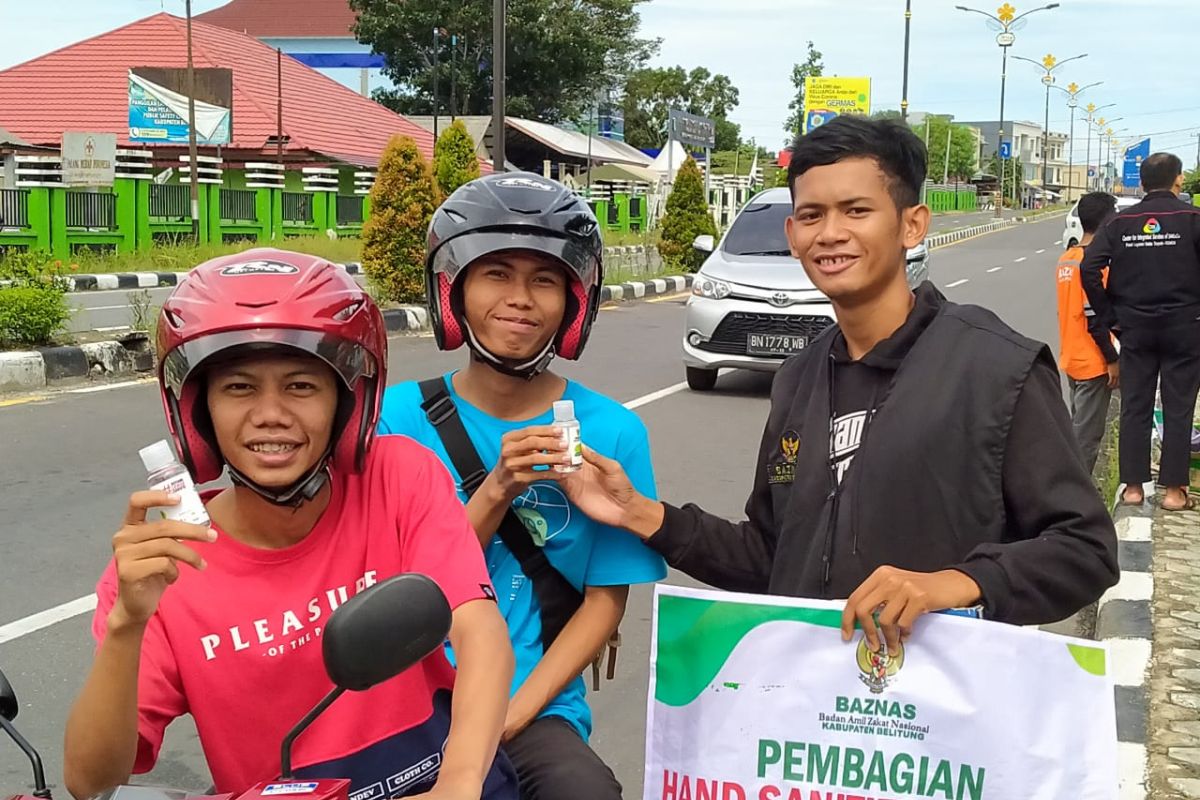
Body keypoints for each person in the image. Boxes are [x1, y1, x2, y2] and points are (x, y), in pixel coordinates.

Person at [560, 116, 1119, 656]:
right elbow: (772, 557)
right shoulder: (800, 377)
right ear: (792, 233)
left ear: (912, 224)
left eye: (856, 211)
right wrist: (642, 514)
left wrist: (955, 584)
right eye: (812, 215)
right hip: (817, 721)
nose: (831, 234)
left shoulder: (999, 367)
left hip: (944, 728)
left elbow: (1084, 552)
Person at [63, 250, 518, 800]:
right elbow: (91, 781)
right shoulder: (164, 566)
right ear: (199, 411)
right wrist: (125, 626)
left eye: (301, 386)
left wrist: (459, 785)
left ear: (346, 404)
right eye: (239, 388)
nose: (271, 413)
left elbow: (478, 628)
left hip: (436, 776)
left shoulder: (397, 477)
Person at [377, 173, 666, 800]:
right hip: (404, 702)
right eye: (496, 274)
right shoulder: (393, 421)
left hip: (533, 705)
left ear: (573, 302)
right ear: (455, 292)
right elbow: (396, 588)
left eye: (544, 280)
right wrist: (496, 490)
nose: (520, 299)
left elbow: (604, 601)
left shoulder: (613, 432)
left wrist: (510, 715)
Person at [1082, 153, 1200, 511]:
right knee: (1179, 406)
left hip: (1134, 327)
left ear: (1143, 183)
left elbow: (1089, 266)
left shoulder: (1120, 222)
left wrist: (1110, 317)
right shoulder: (1193, 219)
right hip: (1185, 327)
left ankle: (1133, 488)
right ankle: (1174, 492)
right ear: (1178, 180)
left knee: (1136, 405)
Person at [1056, 191, 1120, 472]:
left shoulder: (1066, 260)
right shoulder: (1095, 266)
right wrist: (1112, 359)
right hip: (1094, 363)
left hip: (1071, 359)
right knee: (1086, 442)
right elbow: (1094, 318)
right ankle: (1075, 505)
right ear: (1107, 222)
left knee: (1075, 435)